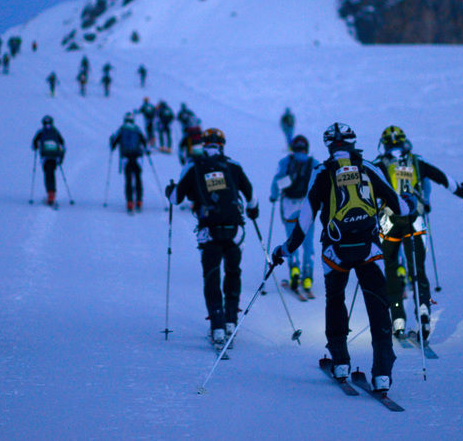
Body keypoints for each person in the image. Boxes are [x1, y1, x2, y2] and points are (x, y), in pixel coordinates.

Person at [272, 122, 415, 394]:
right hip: (370, 250)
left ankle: (340, 362)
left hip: (334, 251)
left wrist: (284, 250)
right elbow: (398, 206)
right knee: (377, 306)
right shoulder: (370, 168)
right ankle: (382, 373)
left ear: (328, 145)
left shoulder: (322, 172)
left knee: (335, 301)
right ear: (353, 141)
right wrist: (409, 200)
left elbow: (304, 221)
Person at [372, 125, 463, 342]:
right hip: (415, 221)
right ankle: (424, 310)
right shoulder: (417, 162)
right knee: (417, 270)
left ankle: (397, 319)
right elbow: (444, 179)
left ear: (384, 145)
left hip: (388, 222)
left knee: (390, 269)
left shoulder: (379, 164)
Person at [166, 128, 258, 346]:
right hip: (235, 230)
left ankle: (217, 325)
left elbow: (175, 198)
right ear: (222, 145)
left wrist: (169, 188)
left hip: (209, 231)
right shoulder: (233, 166)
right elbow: (250, 194)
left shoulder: (194, 165)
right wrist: (254, 211)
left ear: (202, 144)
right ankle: (231, 322)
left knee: (212, 276)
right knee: (233, 272)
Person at [268, 135, 320, 295]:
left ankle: (294, 271)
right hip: (307, 206)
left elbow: (277, 181)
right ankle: (308, 277)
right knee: (308, 242)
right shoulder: (314, 163)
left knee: (292, 240)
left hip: (289, 205)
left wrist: (273, 196)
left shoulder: (285, 162)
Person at [109, 113, 148, 212]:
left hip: (126, 158)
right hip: (137, 158)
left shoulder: (121, 130)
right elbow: (144, 142)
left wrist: (111, 141)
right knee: (138, 179)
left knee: (129, 180)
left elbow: (113, 144)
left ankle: (130, 201)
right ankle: (139, 200)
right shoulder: (137, 129)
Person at [31, 115, 65, 206]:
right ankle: (52, 195)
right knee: (52, 174)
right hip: (54, 157)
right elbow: (62, 143)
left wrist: (36, 146)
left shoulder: (41, 132)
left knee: (48, 175)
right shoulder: (55, 132)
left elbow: (34, 144)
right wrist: (61, 157)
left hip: (45, 157)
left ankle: (50, 195)